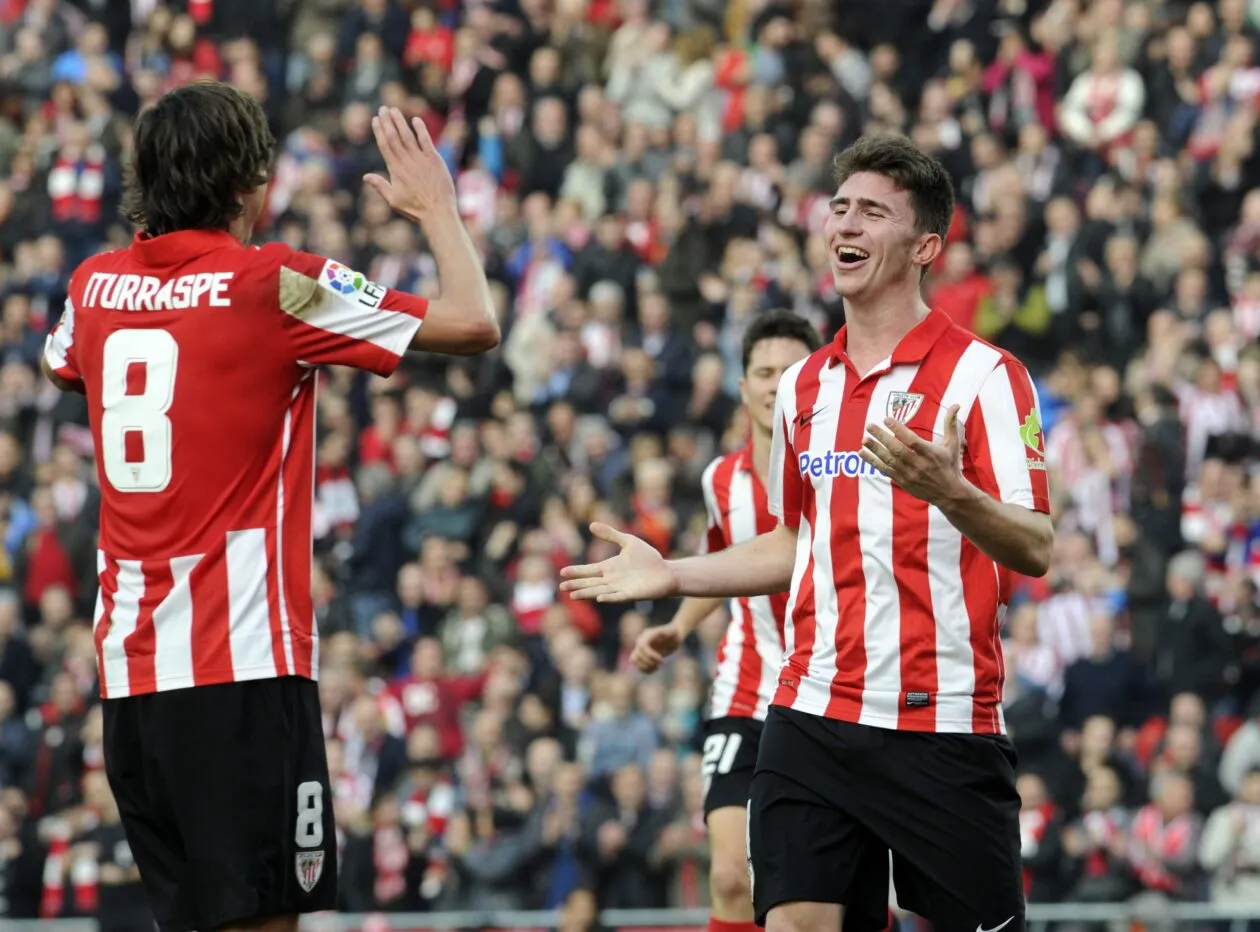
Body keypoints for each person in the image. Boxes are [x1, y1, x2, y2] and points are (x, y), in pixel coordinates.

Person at [562, 134, 1053, 932]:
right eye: (840, 208)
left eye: (874, 213)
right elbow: (795, 543)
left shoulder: (986, 377)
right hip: (812, 709)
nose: (846, 225)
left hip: (942, 721)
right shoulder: (802, 387)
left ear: (925, 247)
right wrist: (677, 574)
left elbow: (1035, 544)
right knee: (790, 920)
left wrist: (951, 493)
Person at [39, 81, 498, 932]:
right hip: (239, 669)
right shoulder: (277, 283)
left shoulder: (94, 287)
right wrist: (436, 208)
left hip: (132, 684)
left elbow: (60, 362)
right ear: (251, 183)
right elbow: (474, 322)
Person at [630, 309, 822, 932]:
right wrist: (679, 627)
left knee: (827, 896)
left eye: (790, 370)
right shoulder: (720, 481)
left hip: (830, 694)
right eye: (763, 372)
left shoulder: (839, 475)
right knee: (730, 877)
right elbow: (721, 562)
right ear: (742, 387)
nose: (775, 384)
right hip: (746, 687)